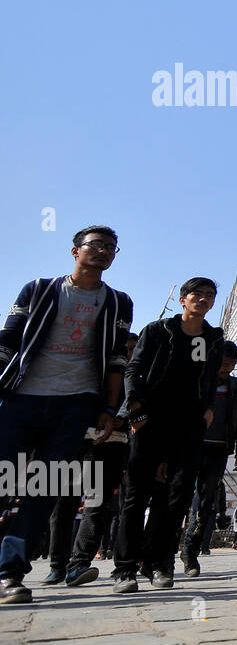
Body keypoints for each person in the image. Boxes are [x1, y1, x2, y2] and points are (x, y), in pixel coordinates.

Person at [0, 227, 134, 604]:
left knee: (43, 488)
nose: (104, 251)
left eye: (110, 247)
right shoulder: (39, 288)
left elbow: (116, 361)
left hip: (75, 404)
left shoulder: (118, 302)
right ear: (75, 251)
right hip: (22, 397)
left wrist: (109, 409)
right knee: (3, 481)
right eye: (96, 245)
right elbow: (7, 342)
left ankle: (10, 572)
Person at [112, 277, 224, 593]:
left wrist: (208, 410)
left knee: (175, 497)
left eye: (209, 296)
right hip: (151, 420)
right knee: (136, 496)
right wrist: (135, 409)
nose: (203, 300)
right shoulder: (158, 331)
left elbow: (208, 377)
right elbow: (134, 370)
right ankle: (125, 569)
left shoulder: (211, 338)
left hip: (188, 424)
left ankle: (159, 563)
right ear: (183, 299)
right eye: (197, 294)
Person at [62, 331, 139, 585]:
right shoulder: (101, 377)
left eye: (134, 350)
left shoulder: (138, 380)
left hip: (121, 448)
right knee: (81, 504)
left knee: (103, 505)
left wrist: (125, 419)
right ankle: (69, 562)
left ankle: (85, 561)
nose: (130, 355)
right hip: (92, 445)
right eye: (126, 350)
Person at [181, 340, 237, 575]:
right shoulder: (199, 381)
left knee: (205, 502)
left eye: (231, 363)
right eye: (223, 361)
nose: (226, 366)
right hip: (191, 446)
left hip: (219, 449)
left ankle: (190, 551)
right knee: (179, 497)